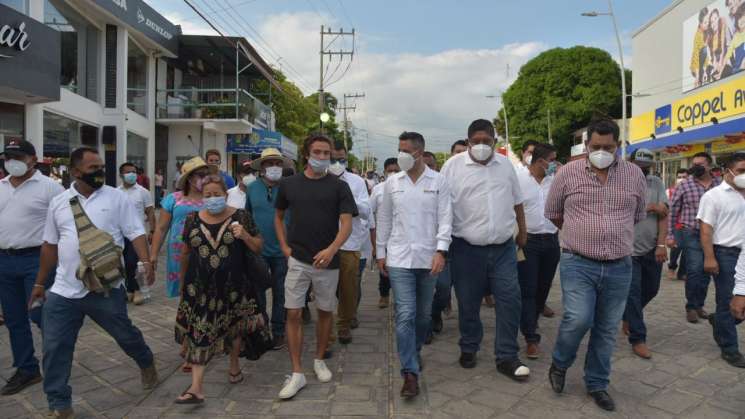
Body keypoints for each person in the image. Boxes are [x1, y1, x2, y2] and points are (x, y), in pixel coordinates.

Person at [28, 147, 158, 419]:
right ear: (75, 172)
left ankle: (145, 361)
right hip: (64, 290)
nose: (100, 172)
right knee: (54, 347)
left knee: (125, 335)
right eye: (92, 168)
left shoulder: (116, 198)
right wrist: (40, 284)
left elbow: (135, 232)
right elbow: (50, 245)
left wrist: (146, 263)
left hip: (105, 288)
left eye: (101, 166)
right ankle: (59, 404)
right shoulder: (60, 202)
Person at [545, 118, 647, 412]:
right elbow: (553, 212)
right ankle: (560, 364)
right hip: (578, 262)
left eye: (609, 147)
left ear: (618, 146)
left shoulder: (633, 175)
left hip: (619, 265)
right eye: (596, 146)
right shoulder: (567, 173)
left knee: (606, 328)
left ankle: (597, 383)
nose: (602, 151)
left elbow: (637, 215)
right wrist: (580, 231)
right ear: (586, 145)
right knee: (578, 318)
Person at [440, 119, 529, 380]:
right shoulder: (452, 167)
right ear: (468, 142)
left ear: (494, 141)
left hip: (503, 248)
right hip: (466, 249)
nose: (481, 146)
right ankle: (469, 347)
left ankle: (507, 356)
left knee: (510, 300)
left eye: (486, 142)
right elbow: (442, 207)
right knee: (468, 303)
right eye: (475, 142)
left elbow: (518, 201)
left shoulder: (505, 166)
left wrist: (522, 231)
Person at [274, 134, 357, 399]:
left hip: (328, 261)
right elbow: (278, 216)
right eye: (317, 152)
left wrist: (332, 248)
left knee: (324, 311)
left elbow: (346, 223)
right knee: (294, 313)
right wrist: (285, 247)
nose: (322, 157)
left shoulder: (339, 186)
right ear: (306, 154)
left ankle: (319, 358)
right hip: (298, 259)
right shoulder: (289, 184)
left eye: (326, 153)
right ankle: (297, 371)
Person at [174, 175, 268, 404]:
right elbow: (186, 252)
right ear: (201, 198)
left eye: (217, 194)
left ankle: (234, 366)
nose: (212, 198)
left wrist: (244, 235)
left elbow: (258, 246)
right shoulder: (192, 220)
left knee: (234, 328)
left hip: (235, 286)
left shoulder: (241, 216)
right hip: (200, 288)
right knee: (199, 332)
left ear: (226, 195)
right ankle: (196, 388)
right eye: (207, 195)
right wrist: (183, 282)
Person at [376, 131, 452, 397]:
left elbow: (445, 218)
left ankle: (415, 351)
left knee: (423, 315)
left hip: (429, 257)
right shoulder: (392, 183)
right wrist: (380, 252)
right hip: (399, 257)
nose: (401, 155)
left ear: (419, 152)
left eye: (405, 150)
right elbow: (384, 218)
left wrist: (441, 251)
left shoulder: (439, 181)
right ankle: (409, 372)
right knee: (405, 313)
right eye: (399, 149)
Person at [0, 139, 64, 395]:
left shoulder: (50, 188)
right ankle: (27, 369)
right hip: (4, 260)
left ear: (32, 160)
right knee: (14, 319)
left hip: (36, 260)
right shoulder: (1, 186)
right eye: (8, 157)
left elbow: (67, 224)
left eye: (18, 156)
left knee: (41, 315)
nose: (11, 162)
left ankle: (57, 364)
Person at [698, 152, 745, 368]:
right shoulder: (713, 196)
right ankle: (730, 348)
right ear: (727, 171)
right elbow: (706, 229)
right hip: (726, 255)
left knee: (738, 304)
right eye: (742, 170)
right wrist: (709, 257)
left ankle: (720, 321)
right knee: (728, 301)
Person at [621, 149, 669, 360]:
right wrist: (650, 206)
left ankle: (628, 315)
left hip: (651, 247)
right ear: (630, 163)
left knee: (652, 289)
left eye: (646, 168)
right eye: (638, 166)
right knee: (633, 292)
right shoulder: (619, 182)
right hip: (626, 249)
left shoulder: (656, 183)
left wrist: (661, 244)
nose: (642, 171)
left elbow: (664, 214)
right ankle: (638, 338)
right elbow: (619, 212)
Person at [516, 142, 560, 360]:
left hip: (552, 241)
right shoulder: (519, 179)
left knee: (543, 289)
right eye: (551, 160)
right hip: (528, 242)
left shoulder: (557, 181)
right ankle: (530, 337)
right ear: (540, 161)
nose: (554, 164)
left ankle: (530, 321)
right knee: (529, 290)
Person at [247, 148, 294, 350]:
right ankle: (262, 326)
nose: (274, 167)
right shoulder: (252, 188)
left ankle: (278, 331)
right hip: (258, 250)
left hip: (283, 250)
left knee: (280, 292)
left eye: (277, 163)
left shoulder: (290, 188)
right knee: (256, 291)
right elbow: (247, 216)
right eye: (269, 164)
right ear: (262, 167)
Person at [668, 152, 720, 323]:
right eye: (694, 163)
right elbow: (673, 211)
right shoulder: (685, 185)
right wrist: (670, 235)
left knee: (707, 272)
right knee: (695, 269)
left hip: (715, 235)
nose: (696, 166)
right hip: (692, 232)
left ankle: (699, 305)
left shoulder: (720, 185)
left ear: (710, 166)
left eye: (701, 164)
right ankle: (690, 306)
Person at [151, 157, 212, 299]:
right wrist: (153, 254)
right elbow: (161, 228)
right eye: (201, 175)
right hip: (178, 252)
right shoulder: (173, 199)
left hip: (206, 250)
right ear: (189, 178)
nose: (205, 178)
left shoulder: (212, 198)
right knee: (182, 289)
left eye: (207, 174)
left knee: (206, 288)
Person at [328, 144, 371, 344]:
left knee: (348, 288)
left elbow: (365, 210)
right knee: (325, 289)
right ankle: (326, 332)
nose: (337, 163)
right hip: (322, 242)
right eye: (333, 159)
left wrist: (346, 198)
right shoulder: (317, 179)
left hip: (349, 243)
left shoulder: (356, 182)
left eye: (341, 159)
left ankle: (344, 325)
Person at [429, 139, 468, 340]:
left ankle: (468, 327)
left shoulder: (472, 176)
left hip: (463, 242)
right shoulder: (440, 179)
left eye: (464, 152)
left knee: (463, 289)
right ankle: (433, 314)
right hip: (440, 243)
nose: (460, 156)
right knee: (443, 288)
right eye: (457, 152)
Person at [118, 162, 156, 305]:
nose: (132, 174)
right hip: (120, 234)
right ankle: (129, 289)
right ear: (121, 175)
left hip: (137, 234)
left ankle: (137, 290)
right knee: (123, 264)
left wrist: (152, 230)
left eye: (134, 172)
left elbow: (150, 212)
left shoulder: (143, 192)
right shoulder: (116, 192)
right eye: (128, 172)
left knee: (132, 262)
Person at [369, 158, 400, 309]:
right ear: (385, 171)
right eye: (390, 170)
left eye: (397, 170)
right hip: (385, 236)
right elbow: (370, 211)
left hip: (402, 236)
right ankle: (384, 295)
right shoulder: (378, 189)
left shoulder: (408, 187)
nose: (393, 173)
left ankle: (400, 299)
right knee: (385, 269)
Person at [668, 169, 690, 280]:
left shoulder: (691, 190)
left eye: (684, 177)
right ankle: (672, 266)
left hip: (687, 224)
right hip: (675, 224)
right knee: (677, 247)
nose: (682, 179)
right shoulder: (670, 191)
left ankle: (682, 272)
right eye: (680, 176)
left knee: (687, 249)